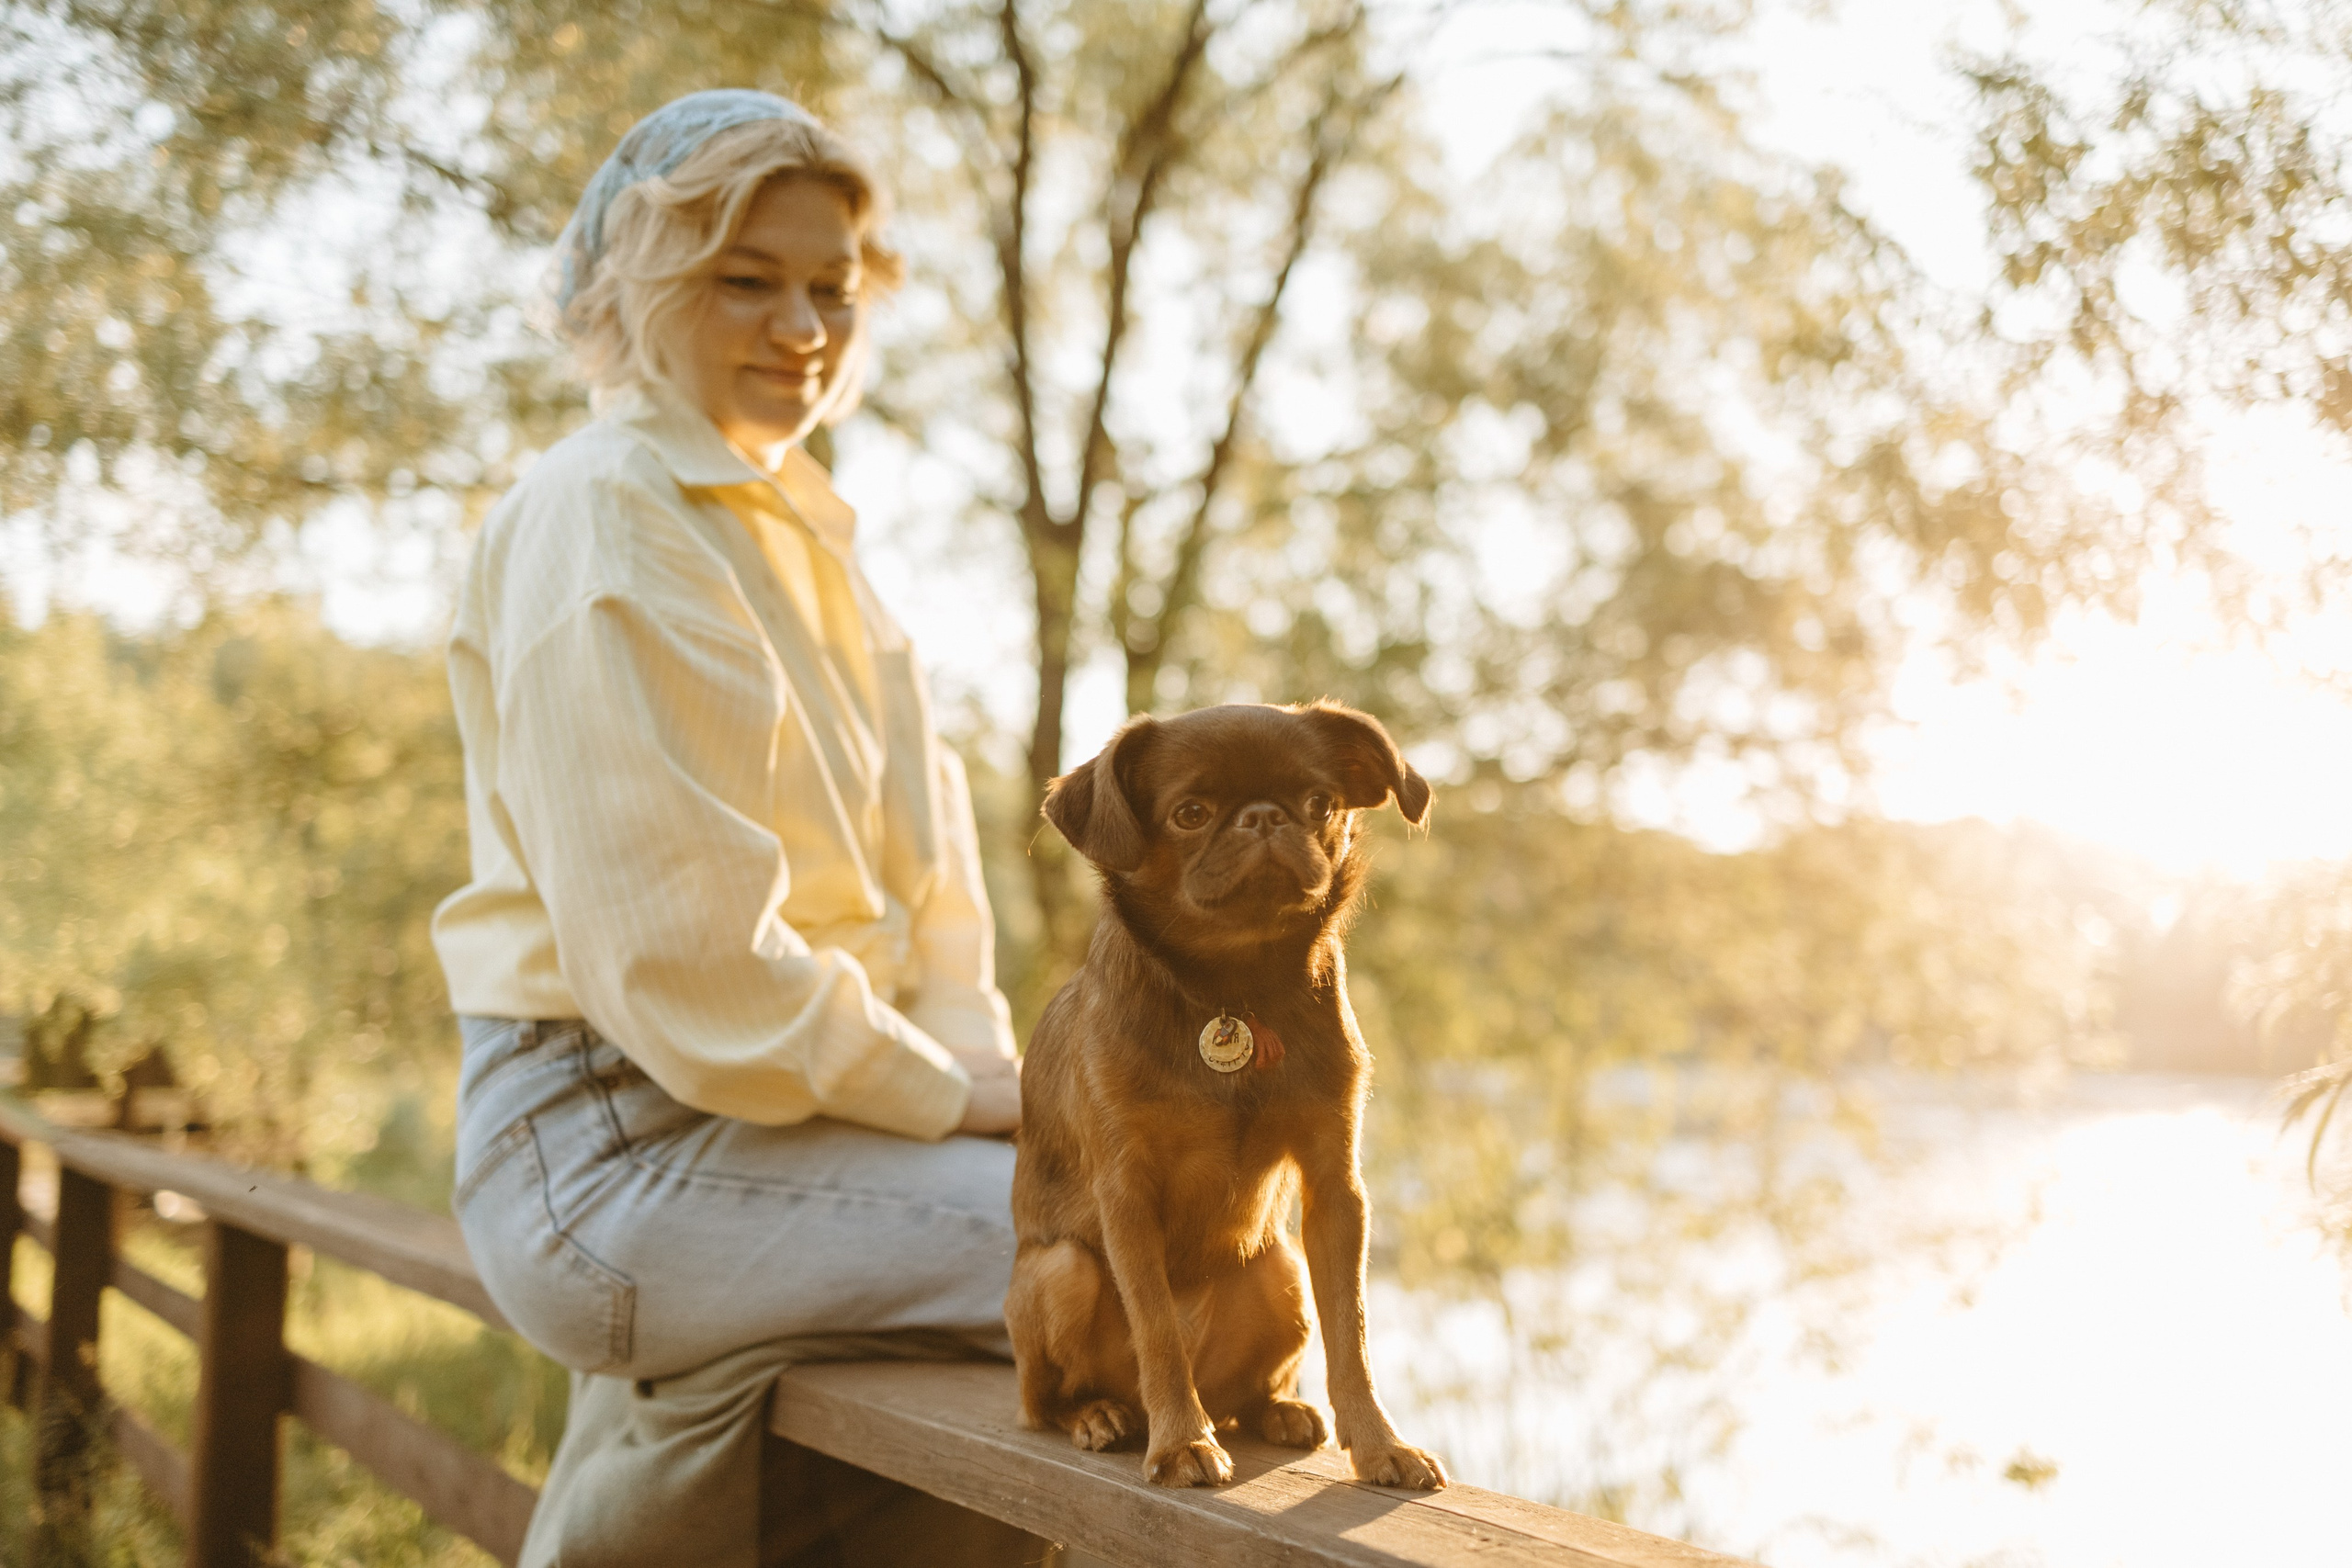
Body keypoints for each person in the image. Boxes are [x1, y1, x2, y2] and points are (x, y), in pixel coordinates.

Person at [430, 90, 1036, 1565]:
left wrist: (994, 1071)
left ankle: (713, 1387)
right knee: (1157, 1265)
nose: (803, 327)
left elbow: (934, 898)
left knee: (1137, 1226)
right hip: (614, 1151)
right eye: (743, 279)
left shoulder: (812, 544)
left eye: (831, 287)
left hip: (798, 1131)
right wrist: (959, 1103)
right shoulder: (606, 513)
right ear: (637, 286)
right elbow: (693, 970)